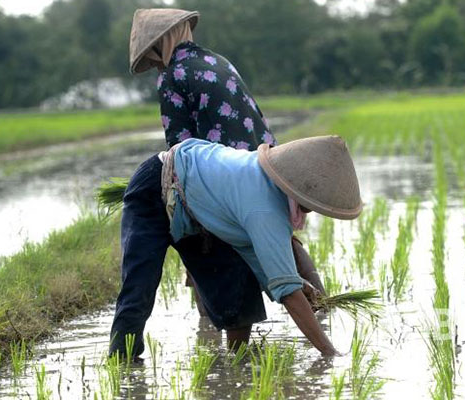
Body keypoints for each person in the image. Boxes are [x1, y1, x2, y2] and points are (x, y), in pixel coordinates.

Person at [109, 8, 327, 358]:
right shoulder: (218, 61)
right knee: (251, 257)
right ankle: (318, 307)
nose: (155, 66)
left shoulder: (173, 74)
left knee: (150, 282)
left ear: (159, 45)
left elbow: (178, 149)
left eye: (152, 58)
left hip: (208, 181)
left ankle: (124, 361)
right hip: (247, 167)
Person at [114, 134, 362, 358]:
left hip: (199, 215)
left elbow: (260, 260)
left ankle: (237, 367)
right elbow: (287, 293)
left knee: (238, 298)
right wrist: (329, 353)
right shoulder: (265, 209)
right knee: (139, 288)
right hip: (156, 187)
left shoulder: (270, 190)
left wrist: (298, 283)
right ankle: (122, 366)